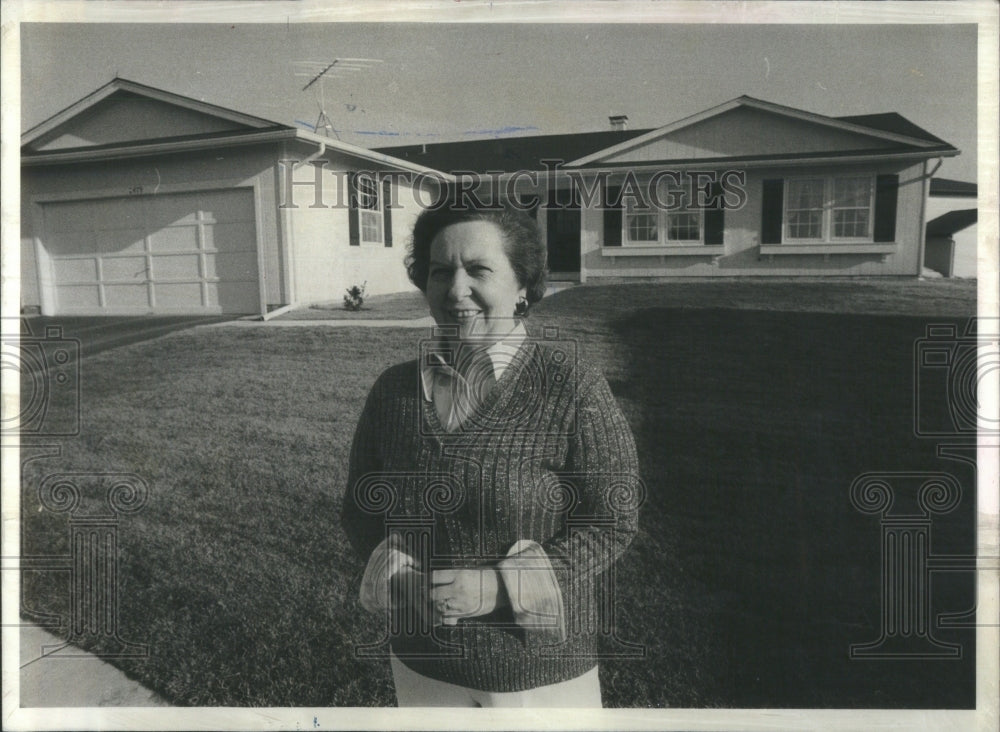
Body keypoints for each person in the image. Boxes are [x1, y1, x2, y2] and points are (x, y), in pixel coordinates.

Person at [340, 201, 641, 707]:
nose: (457, 290)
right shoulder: (393, 391)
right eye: (440, 272)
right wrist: (401, 578)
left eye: (479, 269)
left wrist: (498, 587)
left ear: (522, 286)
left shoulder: (570, 385)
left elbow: (613, 519)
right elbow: (360, 509)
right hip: (422, 667)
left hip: (538, 676)